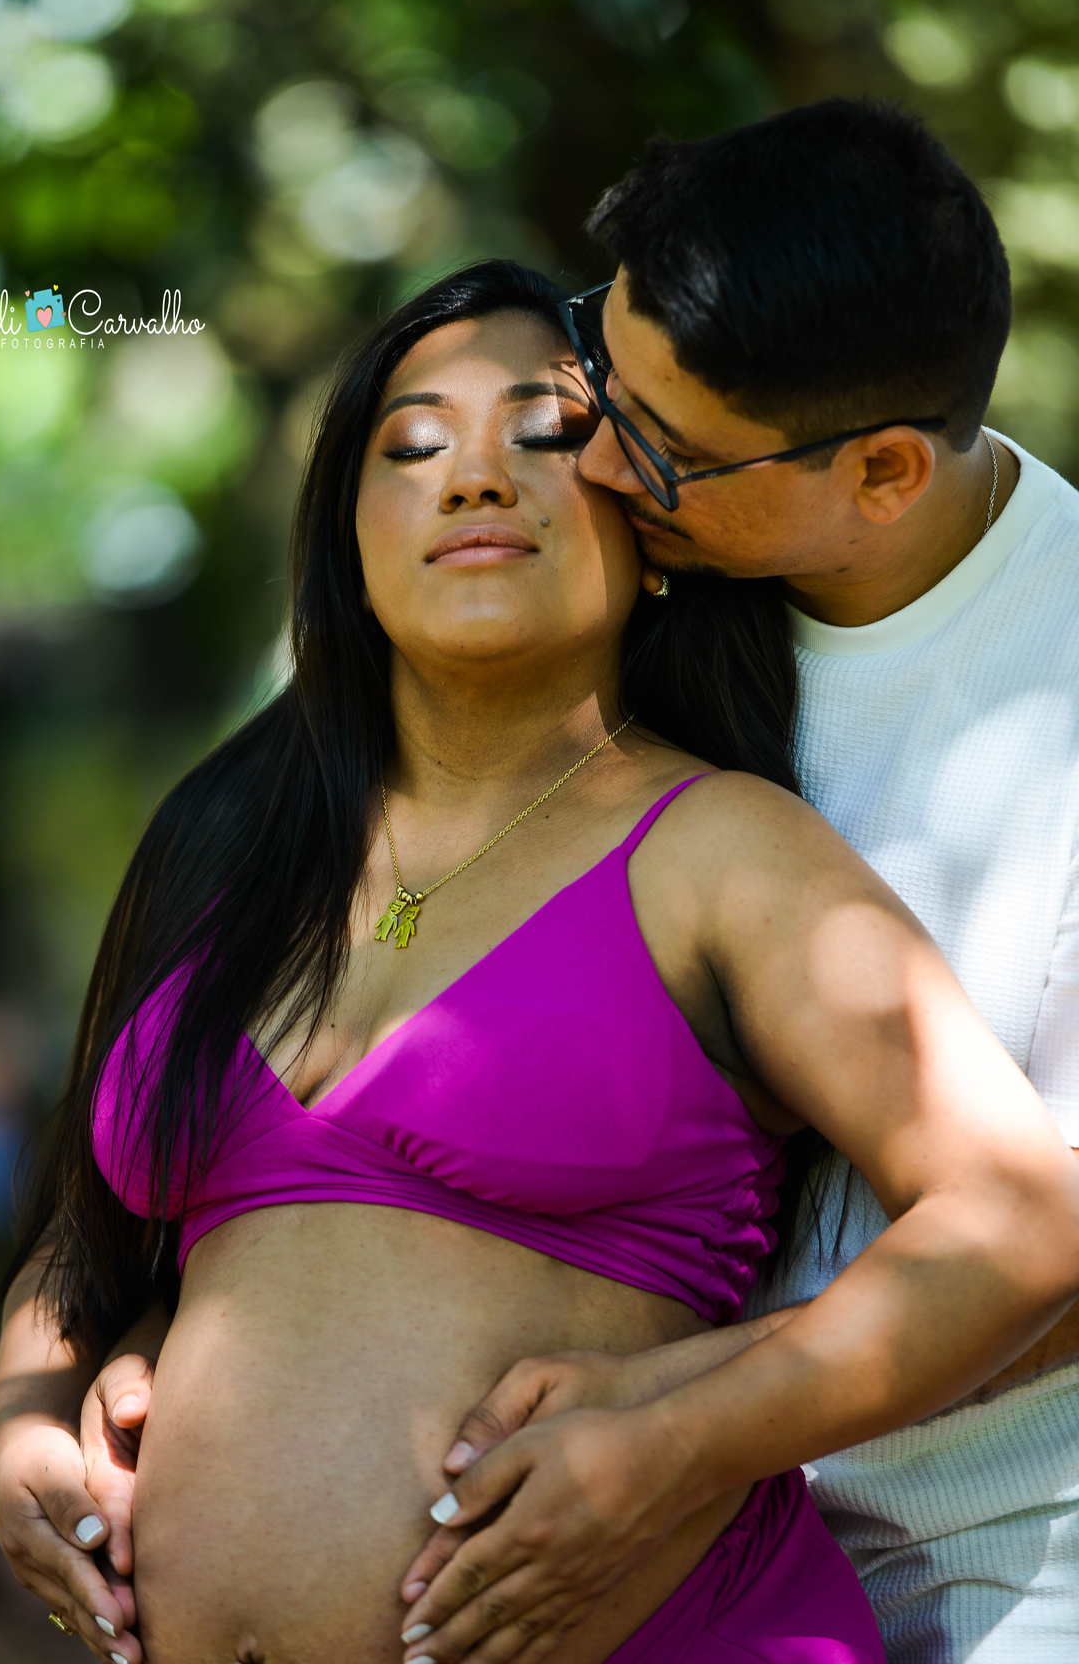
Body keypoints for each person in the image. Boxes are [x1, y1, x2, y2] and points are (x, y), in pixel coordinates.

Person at [0, 259, 1079, 1664]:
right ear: (348, 529)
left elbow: (1021, 1224)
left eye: (548, 437)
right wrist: (23, 1416)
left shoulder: (728, 852)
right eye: (416, 443)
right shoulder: (225, 843)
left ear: (650, 525)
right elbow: (86, 1235)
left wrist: (673, 1442)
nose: (477, 478)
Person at [395, 102, 1079, 1664]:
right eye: (600, 369)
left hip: (1002, 1576)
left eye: (669, 449)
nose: (597, 456)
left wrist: (682, 1412)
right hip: (659, 1570)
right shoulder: (638, 589)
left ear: (887, 469)